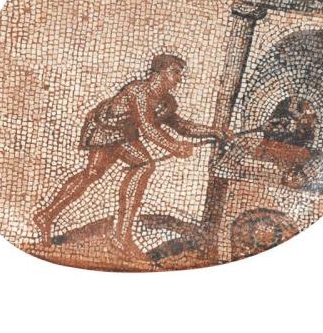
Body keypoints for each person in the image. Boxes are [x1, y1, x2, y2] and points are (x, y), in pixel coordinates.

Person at [31, 54, 233, 258]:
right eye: (175, 72)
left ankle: (120, 234)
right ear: (159, 73)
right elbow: (146, 126)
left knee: (142, 166)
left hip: (125, 133)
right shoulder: (139, 91)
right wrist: (173, 146)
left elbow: (182, 126)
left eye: (180, 73)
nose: (179, 78)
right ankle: (48, 216)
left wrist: (213, 132)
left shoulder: (166, 101)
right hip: (105, 128)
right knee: (94, 172)